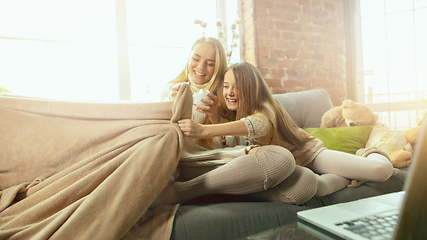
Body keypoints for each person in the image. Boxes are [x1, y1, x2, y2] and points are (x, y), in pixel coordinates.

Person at [176, 61, 396, 198]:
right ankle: (347, 177)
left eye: (237, 87)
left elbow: (256, 126)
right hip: (290, 168)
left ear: (250, 88)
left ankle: (370, 152)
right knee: (315, 188)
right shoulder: (230, 115)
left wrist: (202, 130)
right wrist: (214, 118)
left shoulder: (265, 110)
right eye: (226, 86)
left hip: (309, 154)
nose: (229, 92)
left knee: (381, 172)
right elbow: (228, 143)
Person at [151, 40, 319, 207]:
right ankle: (183, 192)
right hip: (196, 161)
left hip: (224, 161)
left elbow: (226, 142)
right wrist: (171, 103)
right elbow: (159, 129)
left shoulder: (223, 95)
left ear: (217, 68)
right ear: (189, 59)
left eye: (210, 63)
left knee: (307, 181)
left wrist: (215, 118)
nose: (201, 67)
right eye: (196, 59)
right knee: (282, 158)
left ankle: (218, 193)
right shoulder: (172, 90)